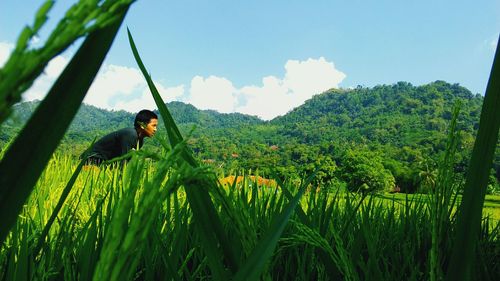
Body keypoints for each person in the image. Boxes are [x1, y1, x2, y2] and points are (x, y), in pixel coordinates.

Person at [81, 109, 158, 165]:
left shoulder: (140, 141)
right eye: (153, 126)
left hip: (104, 164)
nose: (155, 129)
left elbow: (128, 161)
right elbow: (123, 162)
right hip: (90, 160)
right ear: (142, 125)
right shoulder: (130, 134)